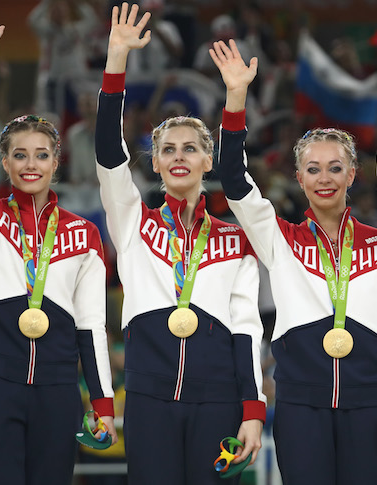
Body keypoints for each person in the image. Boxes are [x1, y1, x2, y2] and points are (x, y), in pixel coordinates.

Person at [211, 39, 377, 485]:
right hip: (299, 405)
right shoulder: (280, 239)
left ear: (353, 174)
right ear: (298, 178)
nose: (324, 178)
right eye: (313, 169)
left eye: (335, 168)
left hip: (368, 403)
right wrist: (236, 98)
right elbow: (235, 183)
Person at [94, 5, 264, 484]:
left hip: (219, 397)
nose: (179, 156)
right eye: (168, 149)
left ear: (209, 160)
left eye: (191, 148)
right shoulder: (133, 223)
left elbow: (247, 327)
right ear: (155, 164)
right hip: (149, 395)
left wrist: (252, 409)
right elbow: (109, 157)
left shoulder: (235, 238)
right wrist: (116, 61)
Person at [0, 5, 117, 484]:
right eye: (19, 155)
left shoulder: (84, 234)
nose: (31, 164)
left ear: (56, 162)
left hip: (56, 388)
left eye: (41, 155)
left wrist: (103, 403)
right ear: (4, 163)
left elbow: (91, 326)